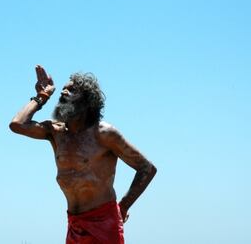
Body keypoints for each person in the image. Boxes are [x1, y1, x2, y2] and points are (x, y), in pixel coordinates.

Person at [9, 65, 157, 244]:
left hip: (104, 224)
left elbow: (147, 168)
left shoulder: (103, 133)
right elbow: (17, 124)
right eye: (63, 88)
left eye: (72, 90)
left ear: (87, 101)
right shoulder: (56, 132)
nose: (63, 91)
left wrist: (123, 206)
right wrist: (43, 96)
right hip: (74, 223)